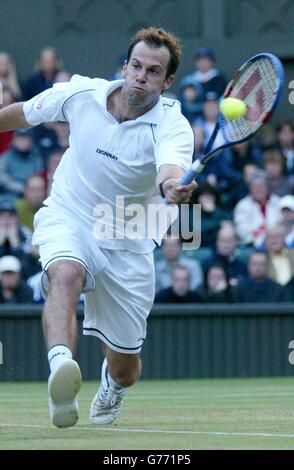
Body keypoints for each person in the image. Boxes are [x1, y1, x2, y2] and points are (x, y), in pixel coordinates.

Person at [0, 27, 196, 428]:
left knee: (127, 367)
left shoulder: (174, 126)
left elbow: (169, 168)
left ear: (168, 81)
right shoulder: (80, 94)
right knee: (65, 274)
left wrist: (171, 186)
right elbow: (24, 112)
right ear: (124, 66)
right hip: (71, 212)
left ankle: (112, 383)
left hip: (130, 236)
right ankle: (61, 371)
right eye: (136, 66)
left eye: (153, 71)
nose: (141, 76)